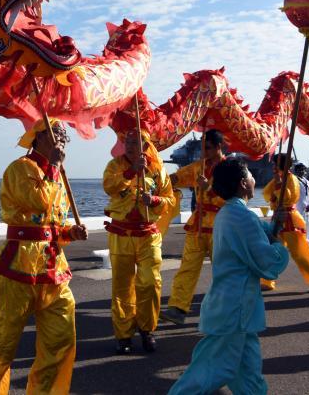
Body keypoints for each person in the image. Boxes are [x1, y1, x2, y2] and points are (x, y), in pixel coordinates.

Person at [0, 119, 88, 395]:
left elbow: (52, 224)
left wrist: (69, 233)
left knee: (61, 339)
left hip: (52, 267)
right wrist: (53, 167)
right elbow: (37, 202)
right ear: (38, 138)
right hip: (19, 265)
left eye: (64, 136)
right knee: (4, 342)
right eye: (55, 134)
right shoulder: (21, 169)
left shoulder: (58, 174)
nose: (61, 140)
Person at [168, 158, 289, 395]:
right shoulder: (240, 215)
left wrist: (274, 225)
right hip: (236, 308)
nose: (255, 179)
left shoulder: (230, 212)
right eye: (251, 176)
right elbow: (267, 262)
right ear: (244, 184)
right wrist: (278, 245)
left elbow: (256, 232)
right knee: (211, 372)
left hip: (235, 308)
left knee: (248, 377)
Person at [102, 129, 176, 354]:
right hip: (121, 234)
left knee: (149, 282)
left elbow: (170, 199)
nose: (131, 146)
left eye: (136, 142)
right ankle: (123, 335)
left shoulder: (157, 170)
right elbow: (108, 185)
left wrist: (153, 200)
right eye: (128, 141)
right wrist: (130, 172)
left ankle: (147, 329)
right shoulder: (115, 165)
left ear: (145, 145)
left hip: (148, 234)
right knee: (122, 287)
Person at [160, 129, 226, 326]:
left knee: (224, 271)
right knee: (187, 267)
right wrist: (156, 178)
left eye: (207, 148)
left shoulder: (231, 168)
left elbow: (240, 197)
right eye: (202, 149)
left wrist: (210, 190)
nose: (203, 153)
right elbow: (176, 178)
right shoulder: (197, 167)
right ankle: (178, 308)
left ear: (218, 147)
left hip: (221, 227)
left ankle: (227, 310)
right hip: (197, 226)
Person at [260, 154, 309, 292]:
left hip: (290, 219)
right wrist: (276, 184)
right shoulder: (281, 178)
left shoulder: (291, 179)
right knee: (272, 250)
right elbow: (266, 194)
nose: (272, 167)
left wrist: (277, 185)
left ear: (280, 165)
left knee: (299, 252)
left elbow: (288, 197)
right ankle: (267, 281)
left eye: (274, 164)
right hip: (278, 218)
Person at [292, 163, 309, 245]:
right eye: (299, 170)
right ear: (295, 171)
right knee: (299, 225)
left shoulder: (307, 181)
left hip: (307, 207)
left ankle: (308, 243)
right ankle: (299, 243)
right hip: (298, 206)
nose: (301, 171)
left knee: (307, 224)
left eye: (303, 170)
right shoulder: (293, 180)